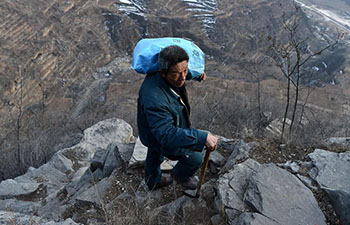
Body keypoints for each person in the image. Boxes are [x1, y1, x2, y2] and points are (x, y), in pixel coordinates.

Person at [137, 45, 218, 190]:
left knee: (154, 153)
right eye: (176, 73)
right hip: (160, 134)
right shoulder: (155, 99)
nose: (183, 78)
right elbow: (165, 134)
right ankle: (180, 176)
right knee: (195, 158)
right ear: (162, 73)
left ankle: (153, 181)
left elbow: (180, 72)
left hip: (150, 131)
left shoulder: (168, 75)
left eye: (185, 71)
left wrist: (195, 74)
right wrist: (201, 137)